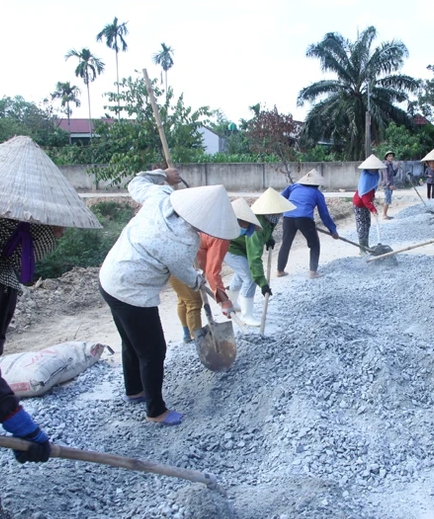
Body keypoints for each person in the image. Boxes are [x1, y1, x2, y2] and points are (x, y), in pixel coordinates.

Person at [0, 136, 103, 519]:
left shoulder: (0, 279)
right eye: (53, 232)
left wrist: (14, 418)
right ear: (18, 227)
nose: (57, 240)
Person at [100, 168, 239, 426]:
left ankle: (134, 390)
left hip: (109, 278)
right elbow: (186, 274)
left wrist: (162, 175)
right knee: (153, 351)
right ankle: (156, 411)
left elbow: (136, 181)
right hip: (133, 292)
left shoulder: (160, 196)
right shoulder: (184, 240)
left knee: (131, 342)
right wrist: (203, 282)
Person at [225, 188, 296, 326]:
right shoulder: (256, 223)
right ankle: (246, 315)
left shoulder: (271, 219)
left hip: (243, 247)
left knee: (241, 275)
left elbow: (268, 229)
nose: (280, 214)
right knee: (249, 277)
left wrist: (269, 238)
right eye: (277, 211)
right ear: (268, 210)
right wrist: (263, 283)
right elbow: (254, 259)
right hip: (231, 248)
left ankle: (232, 302)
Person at [198, 198, 261, 317]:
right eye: (244, 224)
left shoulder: (218, 225)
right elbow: (213, 272)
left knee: (192, 299)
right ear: (235, 221)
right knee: (193, 301)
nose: (245, 228)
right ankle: (190, 334)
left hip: (194, 257)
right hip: (189, 258)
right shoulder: (222, 236)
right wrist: (225, 302)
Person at [277, 169, 339, 279]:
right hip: (304, 218)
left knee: (286, 243)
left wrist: (284, 210)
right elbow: (324, 214)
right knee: (314, 244)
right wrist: (333, 230)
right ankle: (313, 272)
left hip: (288, 217)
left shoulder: (293, 187)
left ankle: (280, 270)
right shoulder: (317, 193)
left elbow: (280, 198)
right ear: (317, 184)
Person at [352, 154, 384, 255]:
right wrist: (373, 209)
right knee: (362, 225)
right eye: (372, 168)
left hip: (367, 204)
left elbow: (372, 191)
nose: (374, 170)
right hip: (359, 204)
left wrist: (372, 201)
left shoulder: (375, 176)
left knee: (367, 224)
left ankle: (366, 245)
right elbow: (365, 198)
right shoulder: (365, 178)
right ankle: (362, 249)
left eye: (376, 168)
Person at [380, 150, 397, 219]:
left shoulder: (391, 165)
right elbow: (385, 176)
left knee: (388, 199)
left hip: (390, 185)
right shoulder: (385, 165)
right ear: (386, 158)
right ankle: (384, 215)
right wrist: (389, 184)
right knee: (387, 199)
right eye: (389, 156)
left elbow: (394, 174)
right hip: (386, 185)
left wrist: (397, 167)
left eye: (392, 156)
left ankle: (385, 214)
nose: (391, 157)